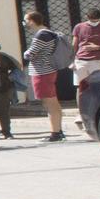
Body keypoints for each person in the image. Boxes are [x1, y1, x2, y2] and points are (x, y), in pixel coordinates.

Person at [22, 10, 68, 141]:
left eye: (26, 21)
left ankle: (55, 133)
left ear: (31, 21)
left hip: (42, 72)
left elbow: (29, 54)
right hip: (48, 70)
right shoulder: (48, 33)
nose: (25, 24)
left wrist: (26, 53)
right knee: (53, 102)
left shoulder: (41, 35)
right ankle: (58, 131)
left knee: (49, 103)